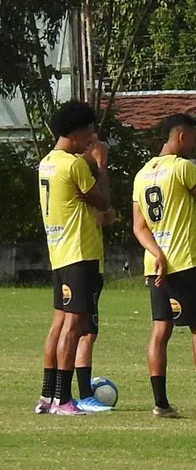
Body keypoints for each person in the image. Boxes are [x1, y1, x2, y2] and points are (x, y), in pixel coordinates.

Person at [130, 113, 196, 419]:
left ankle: (160, 402)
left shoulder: (142, 174)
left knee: (160, 331)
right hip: (185, 263)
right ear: (181, 137)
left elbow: (139, 227)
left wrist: (157, 253)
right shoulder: (183, 168)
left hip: (155, 266)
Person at [36, 101, 113, 416]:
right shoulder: (74, 165)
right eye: (90, 131)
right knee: (75, 324)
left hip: (59, 251)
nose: (93, 136)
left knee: (59, 323)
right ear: (79, 131)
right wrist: (101, 163)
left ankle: (47, 396)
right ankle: (65, 400)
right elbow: (104, 202)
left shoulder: (47, 162)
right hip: (80, 253)